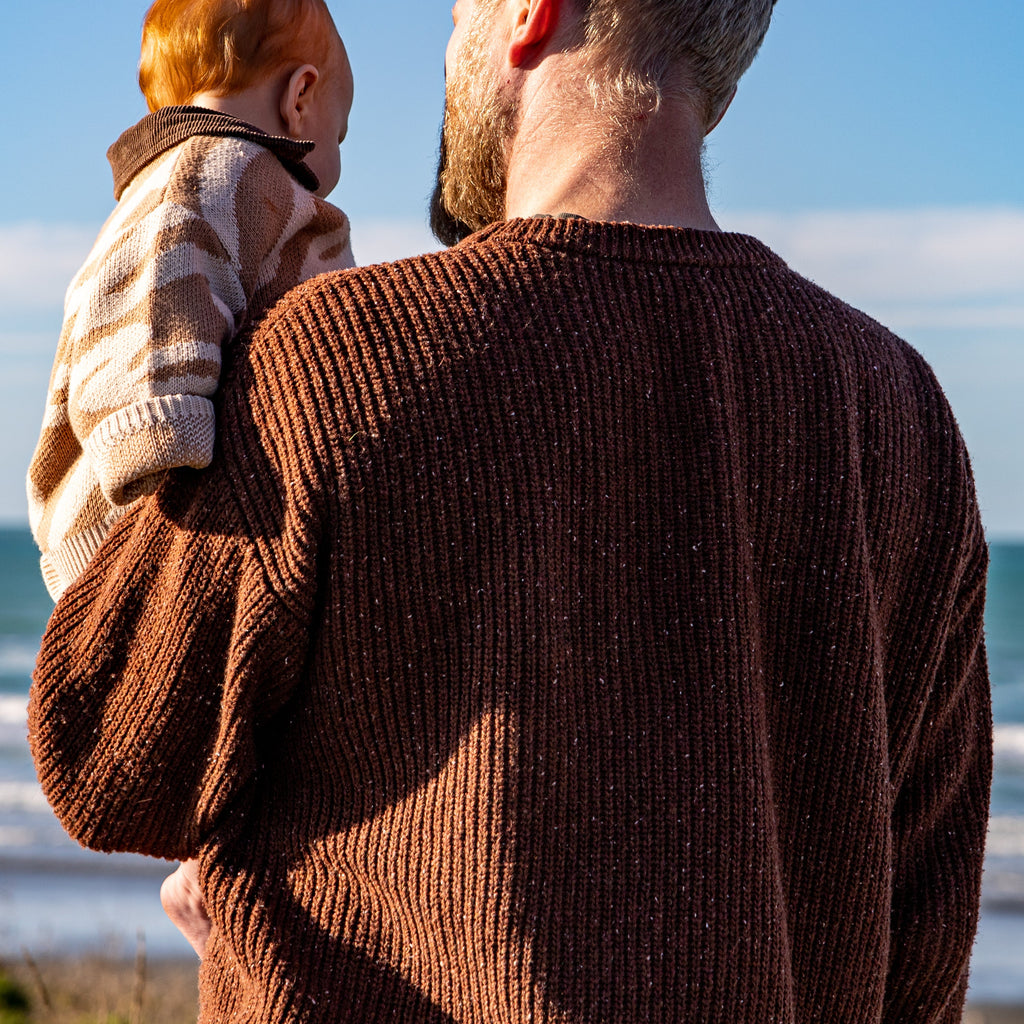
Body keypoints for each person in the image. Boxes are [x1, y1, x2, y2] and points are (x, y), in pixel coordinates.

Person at [29, 0, 992, 1021]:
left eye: (455, 11)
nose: (446, 44)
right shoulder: (901, 417)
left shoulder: (336, 362)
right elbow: (924, 955)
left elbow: (104, 754)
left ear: (529, 15)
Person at [26, 0, 355, 603]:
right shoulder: (214, 170)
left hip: (168, 517)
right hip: (147, 516)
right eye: (342, 133)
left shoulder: (211, 175)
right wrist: (158, 441)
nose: (340, 155)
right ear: (301, 97)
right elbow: (153, 305)